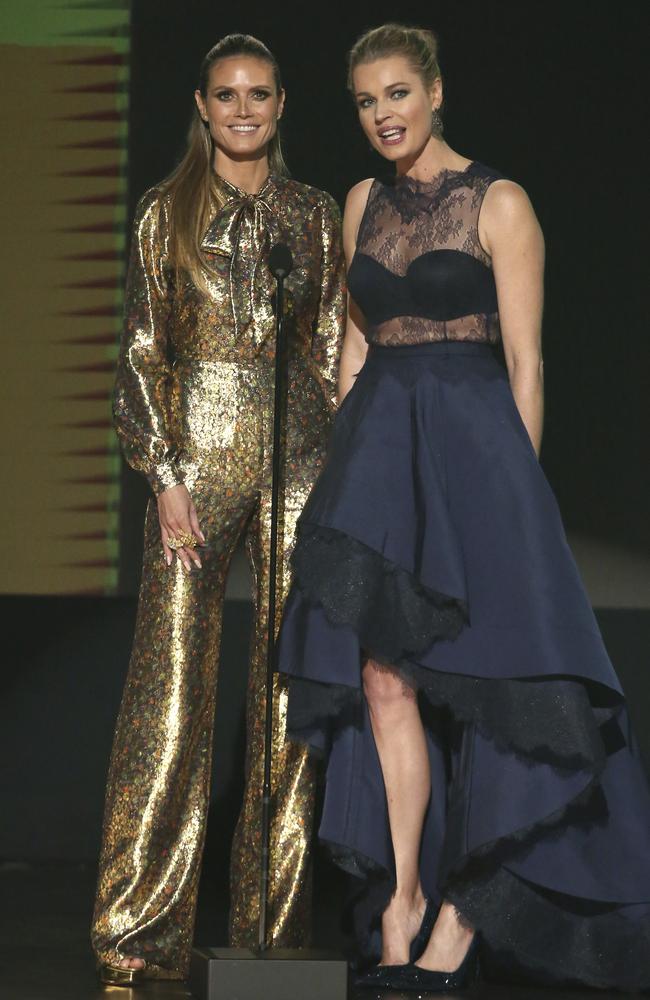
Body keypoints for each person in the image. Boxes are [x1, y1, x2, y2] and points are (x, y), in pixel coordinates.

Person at [277, 22, 650, 993]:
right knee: (383, 680)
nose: (381, 116)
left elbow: (525, 363)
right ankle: (402, 896)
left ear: (434, 92)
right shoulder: (359, 201)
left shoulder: (500, 201)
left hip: (476, 452)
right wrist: (336, 481)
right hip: (380, 447)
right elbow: (354, 353)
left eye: (396, 93)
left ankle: (460, 917)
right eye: (364, 102)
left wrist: (518, 504)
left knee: (491, 687)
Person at [91, 33, 345, 986]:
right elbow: (138, 353)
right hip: (193, 461)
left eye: (261, 95)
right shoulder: (166, 211)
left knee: (290, 694)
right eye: (227, 96)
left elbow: (329, 349)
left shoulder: (315, 214)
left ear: (283, 105)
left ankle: (273, 938)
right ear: (202, 105)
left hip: (301, 458)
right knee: (172, 695)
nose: (244, 110)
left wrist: (346, 476)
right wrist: (163, 476)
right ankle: (137, 934)